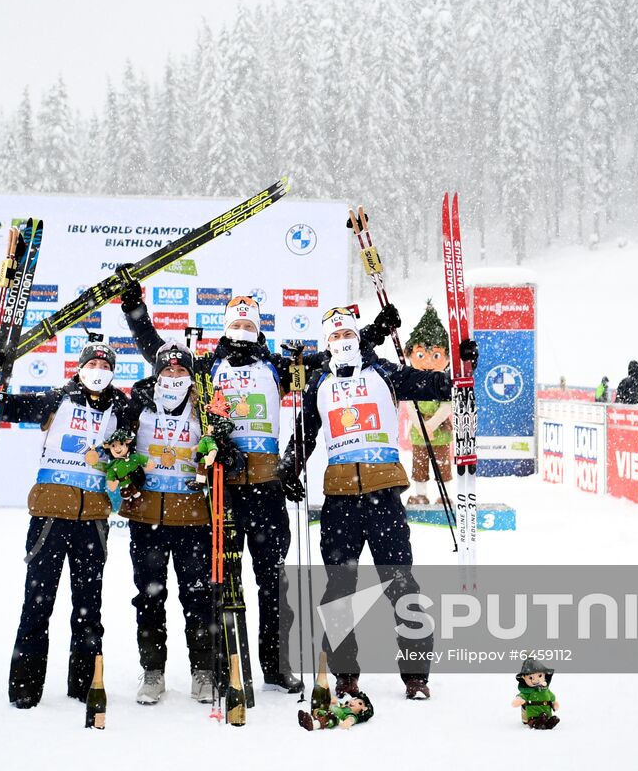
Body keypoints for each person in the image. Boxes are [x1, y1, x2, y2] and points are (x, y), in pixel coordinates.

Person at [121, 284, 400, 693]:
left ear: (258, 328)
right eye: (235, 323)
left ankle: (276, 666)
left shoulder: (277, 366)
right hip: (225, 488)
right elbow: (160, 355)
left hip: (266, 489)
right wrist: (135, 311)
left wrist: (372, 333)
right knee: (224, 584)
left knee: (273, 584)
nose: (242, 329)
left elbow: (334, 358)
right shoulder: (205, 368)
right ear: (226, 328)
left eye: (248, 323)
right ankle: (225, 665)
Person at [279, 305, 465, 701]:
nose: (342, 342)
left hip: (384, 497)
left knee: (401, 584)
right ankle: (345, 674)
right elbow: (304, 434)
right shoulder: (318, 384)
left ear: (358, 339)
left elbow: (433, 385)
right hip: (340, 499)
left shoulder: (384, 372)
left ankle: (416, 675)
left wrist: (461, 370)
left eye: (348, 335)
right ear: (326, 343)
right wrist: (286, 470)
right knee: (339, 591)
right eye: (334, 337)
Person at [0, 339, 134, 709]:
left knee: (89, 609)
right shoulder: (57, 399)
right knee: (37, 605)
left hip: (93, 523)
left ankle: (86, 683)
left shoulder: (121, 408)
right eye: (93, 365)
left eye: (106, 367)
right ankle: (24, 688)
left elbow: (150, 421)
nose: (99, 372)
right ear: (80, 366)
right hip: (50, 520)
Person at [120, 342, 228, 706]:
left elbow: (222, 448)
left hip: (194, 517)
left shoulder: (205, 410)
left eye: (182, 371)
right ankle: (153, 672)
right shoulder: (138, 405)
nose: (174, 377)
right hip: (146, 516)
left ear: (191, 377)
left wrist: (222, 451)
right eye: (168, 371)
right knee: (149, 596)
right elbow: (117, 445)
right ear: (157, 374)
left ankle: (203, 671)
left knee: (197, 597)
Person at [401, 301, 451, 505]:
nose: (429, 361)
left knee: (442, 464)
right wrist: (421, 425)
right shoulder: (411, 378)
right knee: (419, 463)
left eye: (436, 355)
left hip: (440, 430)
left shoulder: (445, 380)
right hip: (418, 431)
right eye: (421, 355)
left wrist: (431, 424)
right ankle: (420, 493)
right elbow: (410, 405)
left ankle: (445, 495)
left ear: (447, 357)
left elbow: (448, 405)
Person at [512, 657, 560, 729]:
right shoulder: (527, 691)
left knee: (545, 717)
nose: (536, 680)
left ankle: (549, 723)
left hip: (546, 714)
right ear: (524, 678)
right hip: (532, 716)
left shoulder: (546, 690)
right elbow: (521, 696)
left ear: (544, 675)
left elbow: (552, 698)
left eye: (540, 676)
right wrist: (519, 700)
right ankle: (537, 723)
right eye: (530, 678)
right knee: (535, 720)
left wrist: (554, 704)